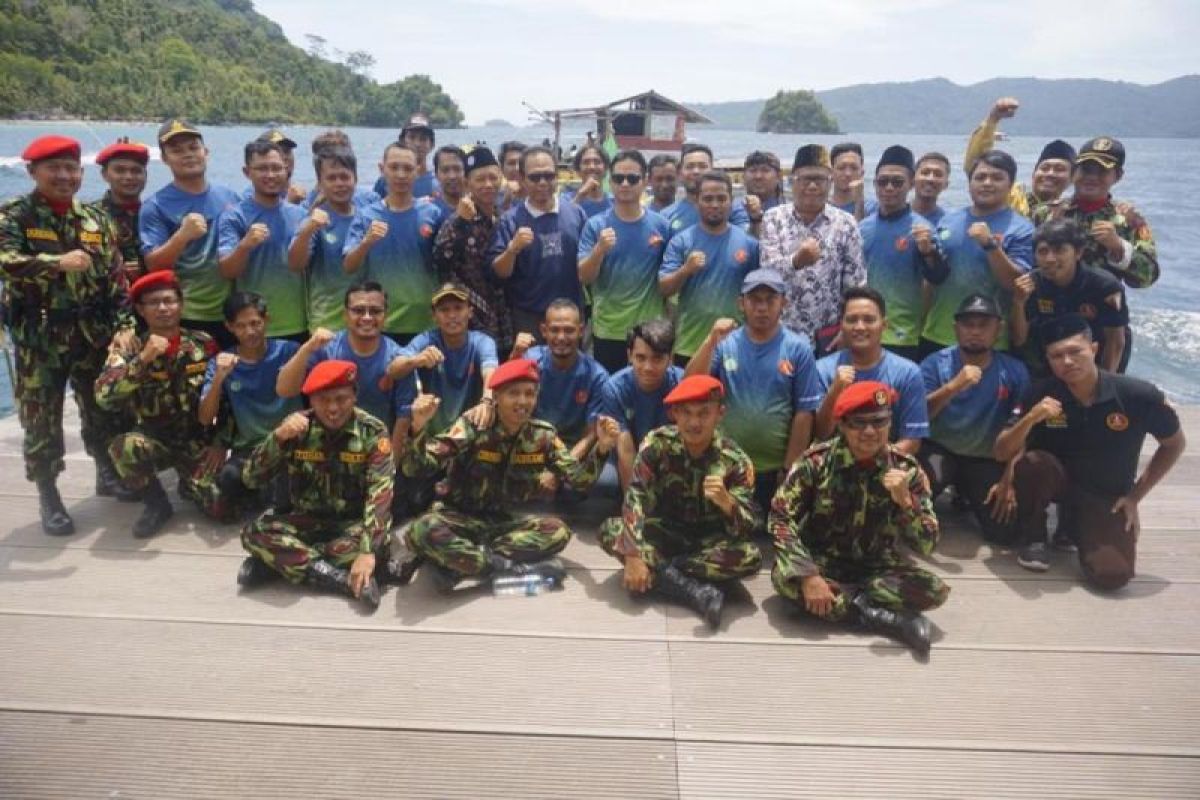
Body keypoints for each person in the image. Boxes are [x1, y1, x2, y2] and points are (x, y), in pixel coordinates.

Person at [0, 134, 136, 534]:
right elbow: (5, 259)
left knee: (100, 411)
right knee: (42, 420)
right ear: (33, 172)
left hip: (91, 335)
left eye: (70, 168)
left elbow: (116, 280)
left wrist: (125, 327)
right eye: (53, 168)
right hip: (40, 338)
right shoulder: (15, 217)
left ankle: (106, 473)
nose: (63, 176)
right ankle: (48, 494)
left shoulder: (95, 220)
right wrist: (54, 262)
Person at [994, 314, 1185, 586]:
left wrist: (1135, 497)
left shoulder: (1137, 395)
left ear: (1094, 349)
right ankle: (1035, 536)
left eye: (1075, 352)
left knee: (1112, 576)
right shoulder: (1040, 393)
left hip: (1105, 492)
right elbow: (1002, 451)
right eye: (1057, 356)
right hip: (1056, 480)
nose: (1067, 361)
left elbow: (1174, 444)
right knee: (1034, 463)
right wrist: (1030, 418)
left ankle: (1071, 525)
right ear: (1048, 361)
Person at [396, 359, 619, 591]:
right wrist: (418, 428)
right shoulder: (474, 425)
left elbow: (580, 482)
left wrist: (601, 449)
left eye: (529, 394)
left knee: (558, 531)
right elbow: (416, 468)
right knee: (421, 530)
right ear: (497, 396)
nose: (523, 401)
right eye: (514, 393)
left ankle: (459, 564)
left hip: (501, 524)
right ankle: (504, 566)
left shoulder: (543, 436)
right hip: (457, 518)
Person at [770, 381, 948, 654]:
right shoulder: (816, 463)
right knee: (785, 579)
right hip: (824, 561)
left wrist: (905, 502)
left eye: (879, 422)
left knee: (933, 589)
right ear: (842, 425)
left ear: (890, 422)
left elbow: (927, 544)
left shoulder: (906, 469)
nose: (869, 432)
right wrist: (808, 576)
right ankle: (887, 619)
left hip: (876, 567)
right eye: (858, 423)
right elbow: (781, 518)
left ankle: (843, 604)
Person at [599, 374, 762, 628]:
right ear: (674, 413)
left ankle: (662, 574)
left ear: (720, 414)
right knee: (611, 529)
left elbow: (748, 526)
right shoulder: (657, 445)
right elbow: (635, 497)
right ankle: (696, 591)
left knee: (750, 557)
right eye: (686, 413)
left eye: (703, 413)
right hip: (665, 532)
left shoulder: (736, 461)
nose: (694, 422)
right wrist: (632, 554)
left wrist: (727, 503)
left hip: (707, 542)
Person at [238, 359, 394, 610]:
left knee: (378, 546)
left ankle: (281, 563)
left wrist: (366, 552)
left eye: (341, 399)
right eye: (323, 400)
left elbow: (380, 496)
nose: (332, 408)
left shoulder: (373, 433)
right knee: (253, 533)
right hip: (306, 522)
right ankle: (340, 580)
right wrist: (277, 438)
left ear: (355, 396)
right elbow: (251, 478)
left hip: (351, 526)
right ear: (310, 401)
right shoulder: (297, 429)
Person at [96, 272, 225, 538]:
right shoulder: (129, 349)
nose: (163, 308)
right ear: (141, 310)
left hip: (195, 440)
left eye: (169, 300)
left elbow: (227, 398)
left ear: (181, 305)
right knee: (124, 448)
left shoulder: (203, 343)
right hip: (154, 439)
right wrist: (142, 360)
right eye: (154, 303)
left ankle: (189, 482)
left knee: (220, 508)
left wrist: (221, 441)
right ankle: (156, 503)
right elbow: (104, 396)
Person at [685, 269, 821, 513]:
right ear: (741, 304)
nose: (762, 307)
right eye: (755, 300)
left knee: (772, 534)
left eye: (770, 300)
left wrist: (789, 470)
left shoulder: (799, 349)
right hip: (728, 466)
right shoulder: (724, 344)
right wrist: (710, 340)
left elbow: (804, 414)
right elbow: (690, 388)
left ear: (784, 304)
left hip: (774, 470)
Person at [920, 294, 1029, 544]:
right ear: (955, 329)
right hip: (939, 452)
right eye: (968, 325)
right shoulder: (934, 364)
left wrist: (1008, 479)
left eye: (984, 325)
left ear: (998, 330)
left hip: (984, 459)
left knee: (1004, 532)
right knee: (916, 500)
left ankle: (968, 493)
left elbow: (1020, 432)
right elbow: (918, 417)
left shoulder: (1015, 372)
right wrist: (952, 387)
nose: (975, 332)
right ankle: (945, 491)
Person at [197, 291, 303, 511]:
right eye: (240, 326)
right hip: (251, 449)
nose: (250, 331)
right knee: (226, 482)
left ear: (266, 320)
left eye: (255, 323)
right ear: (229, 327)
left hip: (293, 445)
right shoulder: (222, 362)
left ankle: (275, 493)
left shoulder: (290, 351)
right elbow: (206, 417)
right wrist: (219, 378)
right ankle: (268, 492)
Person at [922, 150, 1033, 358]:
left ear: (1011, 185)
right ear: (969, 183)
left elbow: (1016, 284)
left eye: (997, 178)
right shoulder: (948, 221)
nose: (987, 183)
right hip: (935, 334)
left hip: (990, 341)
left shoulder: (1022, 229)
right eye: (980, 177)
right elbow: (932, 280)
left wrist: (990, 246)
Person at [139, 119, 239, 348]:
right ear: (164, 158)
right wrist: (181, 236)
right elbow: (154, 265)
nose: (187, 155)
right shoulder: (155, 206)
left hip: (231, 314)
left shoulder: (231, 198)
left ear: (206, 152)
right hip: (187, 315)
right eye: (176, 150)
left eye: (193, 148)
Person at [760, 144, 866, 356]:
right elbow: (767, 273)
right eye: (805, 179)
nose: (812, 186)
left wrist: (849, 329)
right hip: (781, 333)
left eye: (819, 180)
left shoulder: (846, 223)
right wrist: (796, 261)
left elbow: (856, 284)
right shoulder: (773, 218)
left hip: (829, 335)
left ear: (830, 182)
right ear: (792, 181)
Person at [578, 149, 670, 372]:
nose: (625, 184)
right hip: (609, 330)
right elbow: (584, 276)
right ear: (611, 182)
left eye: (633, 178)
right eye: (619, 178)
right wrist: (599, 249)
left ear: (645, 181)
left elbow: (668, 281)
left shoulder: (662, 225)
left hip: (650, 330)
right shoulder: (595, 225)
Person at [344, 143, 443, 346]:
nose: (401, 174)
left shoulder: (431, 213)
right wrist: (366, 243)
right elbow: (348, 266)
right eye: (394, 167)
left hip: (426, 322)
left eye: (408, 168)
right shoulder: (366, 216)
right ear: (382, 169)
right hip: (381, 322)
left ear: (417, 171)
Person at [1033, 137, 1159, 291]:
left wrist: (1118, 247)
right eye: (1086, 169)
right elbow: (1027, 263)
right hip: (1051, 307)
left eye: (1102, 171)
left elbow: (1148, 278)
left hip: (1103, 309)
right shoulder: (1045, 213)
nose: (1092, 177)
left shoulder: (1130, 220)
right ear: (1074, 171)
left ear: (1118, 176)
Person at [659, 170, 759, 364]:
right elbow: (664, 288)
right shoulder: (681, 241)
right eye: (708, 199)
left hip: (734, 344)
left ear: (731, 201)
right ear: (697, 201)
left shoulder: (749, 243)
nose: (715, 204)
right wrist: (685, 270)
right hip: (689, 344)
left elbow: (756, 293)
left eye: (721, 199)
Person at [488, 145, 588, 340]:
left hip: (570, 316)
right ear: (522, 178)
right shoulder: (510, 220)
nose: (542, 182)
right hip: (528, 318)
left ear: (557, 176)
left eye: (549, 175)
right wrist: (512, 250)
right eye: (534, 177)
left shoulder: (576, 214)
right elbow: (498, 273)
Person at [859, 145, 948, 361]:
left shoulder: (922, 229)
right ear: (875, 184)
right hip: (862, 330)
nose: (889, 188)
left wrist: (928, 252)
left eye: (897, 182)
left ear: (910, 185)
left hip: (904, 335)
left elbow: (939, 277)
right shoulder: (862, 227)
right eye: (883, 182)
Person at [814, 287, 929, 455]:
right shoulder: (822, 369)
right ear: (842, 325)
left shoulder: (909, 373)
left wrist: (871, 465)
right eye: (852, 320)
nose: (860, 327)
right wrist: (835, 391)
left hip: (887, 467)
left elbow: (912, 440)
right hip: (834, 468)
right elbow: (821, 434)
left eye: (869, 320)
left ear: (884, 325)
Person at [1011, 218, 1130, 373]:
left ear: (1078, 253)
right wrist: (1018, 303)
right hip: (1054, 361)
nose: (1050, 259)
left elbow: (1115, 342)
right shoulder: (1030, 285)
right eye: (1043, 251)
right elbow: (1019, 340)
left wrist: (1103, 385)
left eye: (1059, 250)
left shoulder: (1104, 286)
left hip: (1099, 362)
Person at [217, 139, 307, 341]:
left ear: (287, 170)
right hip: (251, 327)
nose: (271, 175)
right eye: (262, 169)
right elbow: (227, 271)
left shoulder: (301, 215)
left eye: (276, 168)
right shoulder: (234, 216)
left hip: (297, 323)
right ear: (247, 172)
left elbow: (303, 265)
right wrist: (245, 245)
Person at [432, 146, 514, 354]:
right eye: (480, 179)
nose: (488, 185)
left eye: (493, 178)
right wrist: (461, 223)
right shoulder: (457, 220)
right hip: (469, 322)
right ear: (467, 183)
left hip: (503, 320)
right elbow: (440, 262)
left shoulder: (503, 217)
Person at [389, 283, 498, 437]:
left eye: (458, 308)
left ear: (470, 312)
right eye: (444, 310)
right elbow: (393, 370)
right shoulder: (425, 340)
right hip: (431, 433)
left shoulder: (482, 342)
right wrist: (416, 360)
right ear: (434, 316)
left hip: (471, 431)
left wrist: (487, 401)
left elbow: (491, 373)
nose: (452, 315)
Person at [511, 299, 609, 455]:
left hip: (574, 448)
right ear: (544, 331)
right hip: (531, 443)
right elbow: (506, 401)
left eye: (569, 330)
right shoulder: (529, 361)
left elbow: (592, 434)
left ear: (581, 330)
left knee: (607, 479)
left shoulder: (597, 376)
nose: (561, 337)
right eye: (555, 330)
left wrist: (563, 467)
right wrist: (514, 356)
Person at [287, 145, 364, 332]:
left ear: (355, 179)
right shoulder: (314, 219)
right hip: (327, 322)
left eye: (345, 177)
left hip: (366, 320)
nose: (339, 183)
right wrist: (308, 230)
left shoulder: (368, 216)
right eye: (331, 178)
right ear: (320, 183)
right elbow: (296, 264)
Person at [600, 318, 684, 490]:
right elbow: (625, 449)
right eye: (640, 358)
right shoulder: (614, 388)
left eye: (657, 359)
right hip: (629, 453)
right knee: (605, 483)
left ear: (670, 358)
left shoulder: (681, 384)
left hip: (668, 458)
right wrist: (632, 507)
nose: (648, 367)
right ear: (629, 355)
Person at [964, 97, 1075, 218]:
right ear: (1034, 174)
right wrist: (993, 119)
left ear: (1072, 178)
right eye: (1044, 168)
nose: (1050, 174)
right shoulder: (1013, 198)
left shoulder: (1071, 212)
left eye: (1059, 169)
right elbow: (976, 163)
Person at [662, 143, 750, 238]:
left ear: (712, 169)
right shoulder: (666, 216)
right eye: (690, 167)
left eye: (702, 166)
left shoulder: (734, 209)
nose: (696, 171)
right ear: (680, 173)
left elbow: (747, 240)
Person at [92, 138, 150, 283]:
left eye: (136, 171)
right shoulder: (89, 217)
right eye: (120, 170)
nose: (129, 177)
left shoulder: (155, 214)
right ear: (105, 175)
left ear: (145, 175)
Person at [372, 113, 439, 199]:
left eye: (423, 139)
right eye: (411, 137)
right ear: (402, 141)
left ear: (432, 145)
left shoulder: (439, 183)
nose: (417, 143)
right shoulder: (387, 180)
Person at [255, 128, 307, 205]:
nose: (285, 158)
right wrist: (289, 203)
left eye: (287, 151)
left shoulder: (301, 194)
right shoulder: (250, 197)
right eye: (277, 152)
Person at [828, 142, 877, 221]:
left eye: (854, 168)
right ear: (831, 172)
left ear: (862, 173)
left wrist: (859, 202)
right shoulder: (821, 206)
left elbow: (861, 232)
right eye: (841, 168)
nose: (848, 174)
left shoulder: (874, 208)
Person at [563, 144, 613, 218]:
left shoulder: (615, 202)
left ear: (606, 169)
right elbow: (562, 222)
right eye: (586, 162)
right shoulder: (565, 200)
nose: (592, 167)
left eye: (597, 162)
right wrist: (579, 197)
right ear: (578, 170)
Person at [911, 152, 951, 226]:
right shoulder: (894, 215)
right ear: (912, 179)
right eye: (925, 173)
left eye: (938, 174)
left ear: (946, 184)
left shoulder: (949, 222)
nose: (930, 179)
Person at [428, 145, 467, 220]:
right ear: (436, 174)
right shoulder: (430, 211)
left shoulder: (479, 206)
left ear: (466, 171)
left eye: (457, 169)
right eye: (445, 170)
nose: (452, 176)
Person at [497, 140, 527, 212]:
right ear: (501, 168)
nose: (517, 168)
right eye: (511, 163)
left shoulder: (538, 194)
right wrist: (507, 201)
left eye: (521, 163)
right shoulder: (493, 196)